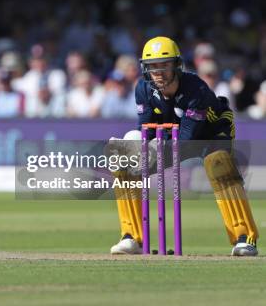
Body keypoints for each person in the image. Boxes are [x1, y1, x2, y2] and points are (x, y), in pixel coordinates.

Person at [109, 36, 258, 256]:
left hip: (211, 131)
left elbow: (187, 140)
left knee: (219, 164)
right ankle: (132, 237)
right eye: (153, 67)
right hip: (173, 134)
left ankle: (244, 238)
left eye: (164, 66)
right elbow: (146, 129)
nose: (158, 73)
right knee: (123, 158)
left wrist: (153, 152)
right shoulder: (143, 89)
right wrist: (135, 152)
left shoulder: (195, 89)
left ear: (177, 66)